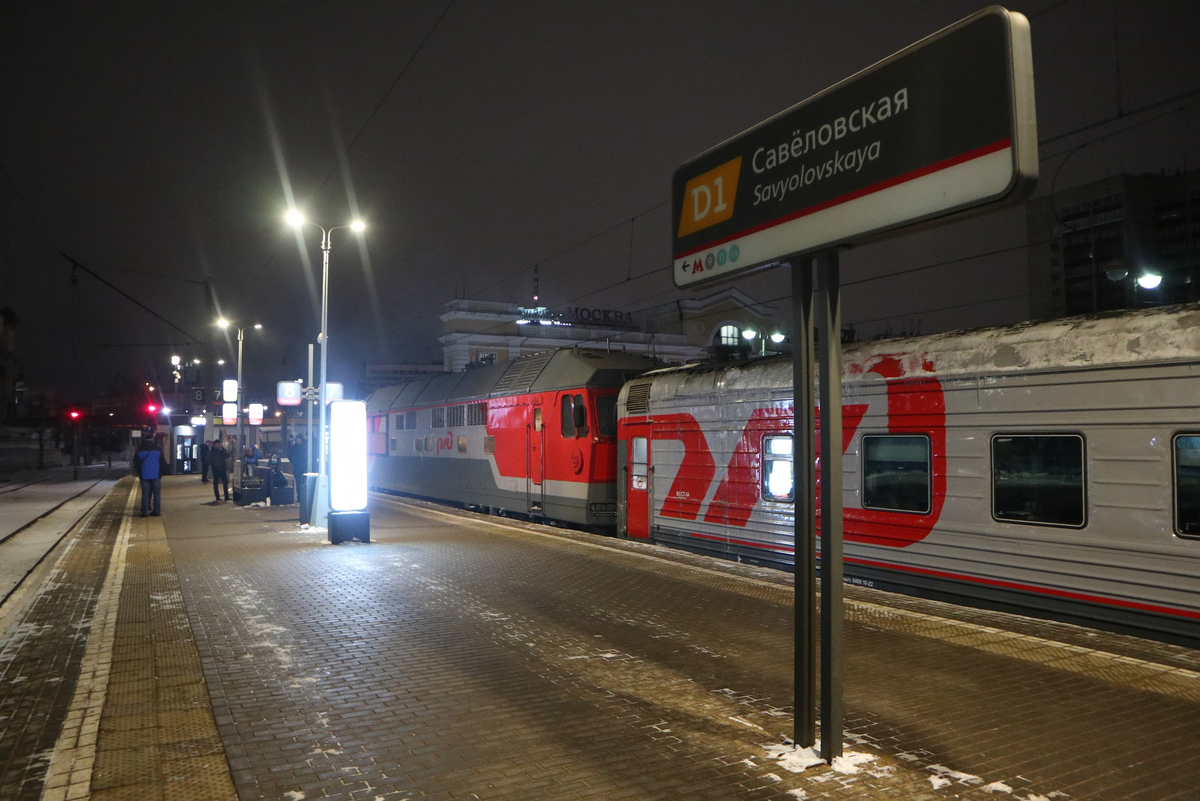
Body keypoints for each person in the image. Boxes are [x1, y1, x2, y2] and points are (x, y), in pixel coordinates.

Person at [132, 436, 164, 517]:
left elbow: (136, 463)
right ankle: (157, 511)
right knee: (157, 494)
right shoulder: (158, 450)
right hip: (156, 475)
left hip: (144, 475)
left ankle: (145, 512)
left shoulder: (140, 450)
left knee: (145, 494)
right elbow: (163, 462)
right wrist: (160, 473)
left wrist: (140, 472)